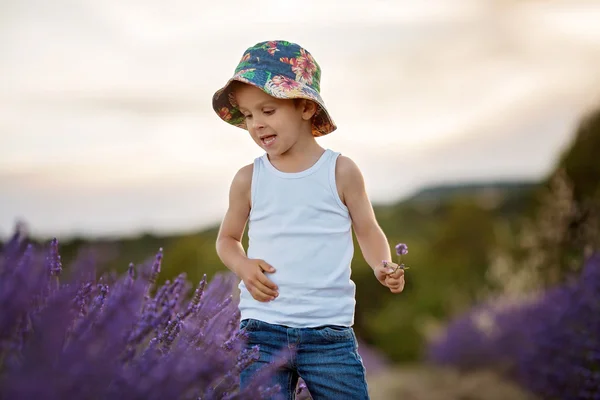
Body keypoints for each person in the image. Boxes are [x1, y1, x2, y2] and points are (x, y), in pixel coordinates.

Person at [213, 40, 405, 400]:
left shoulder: (341, 171)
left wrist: (383, 264)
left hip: (328, 333)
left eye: (267, 110)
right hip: (262, 329)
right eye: (248, 115)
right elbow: (227, 239)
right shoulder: (248, 179)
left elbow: (367, 229)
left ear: (303, 106)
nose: (256, 124)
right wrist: (242, 265)